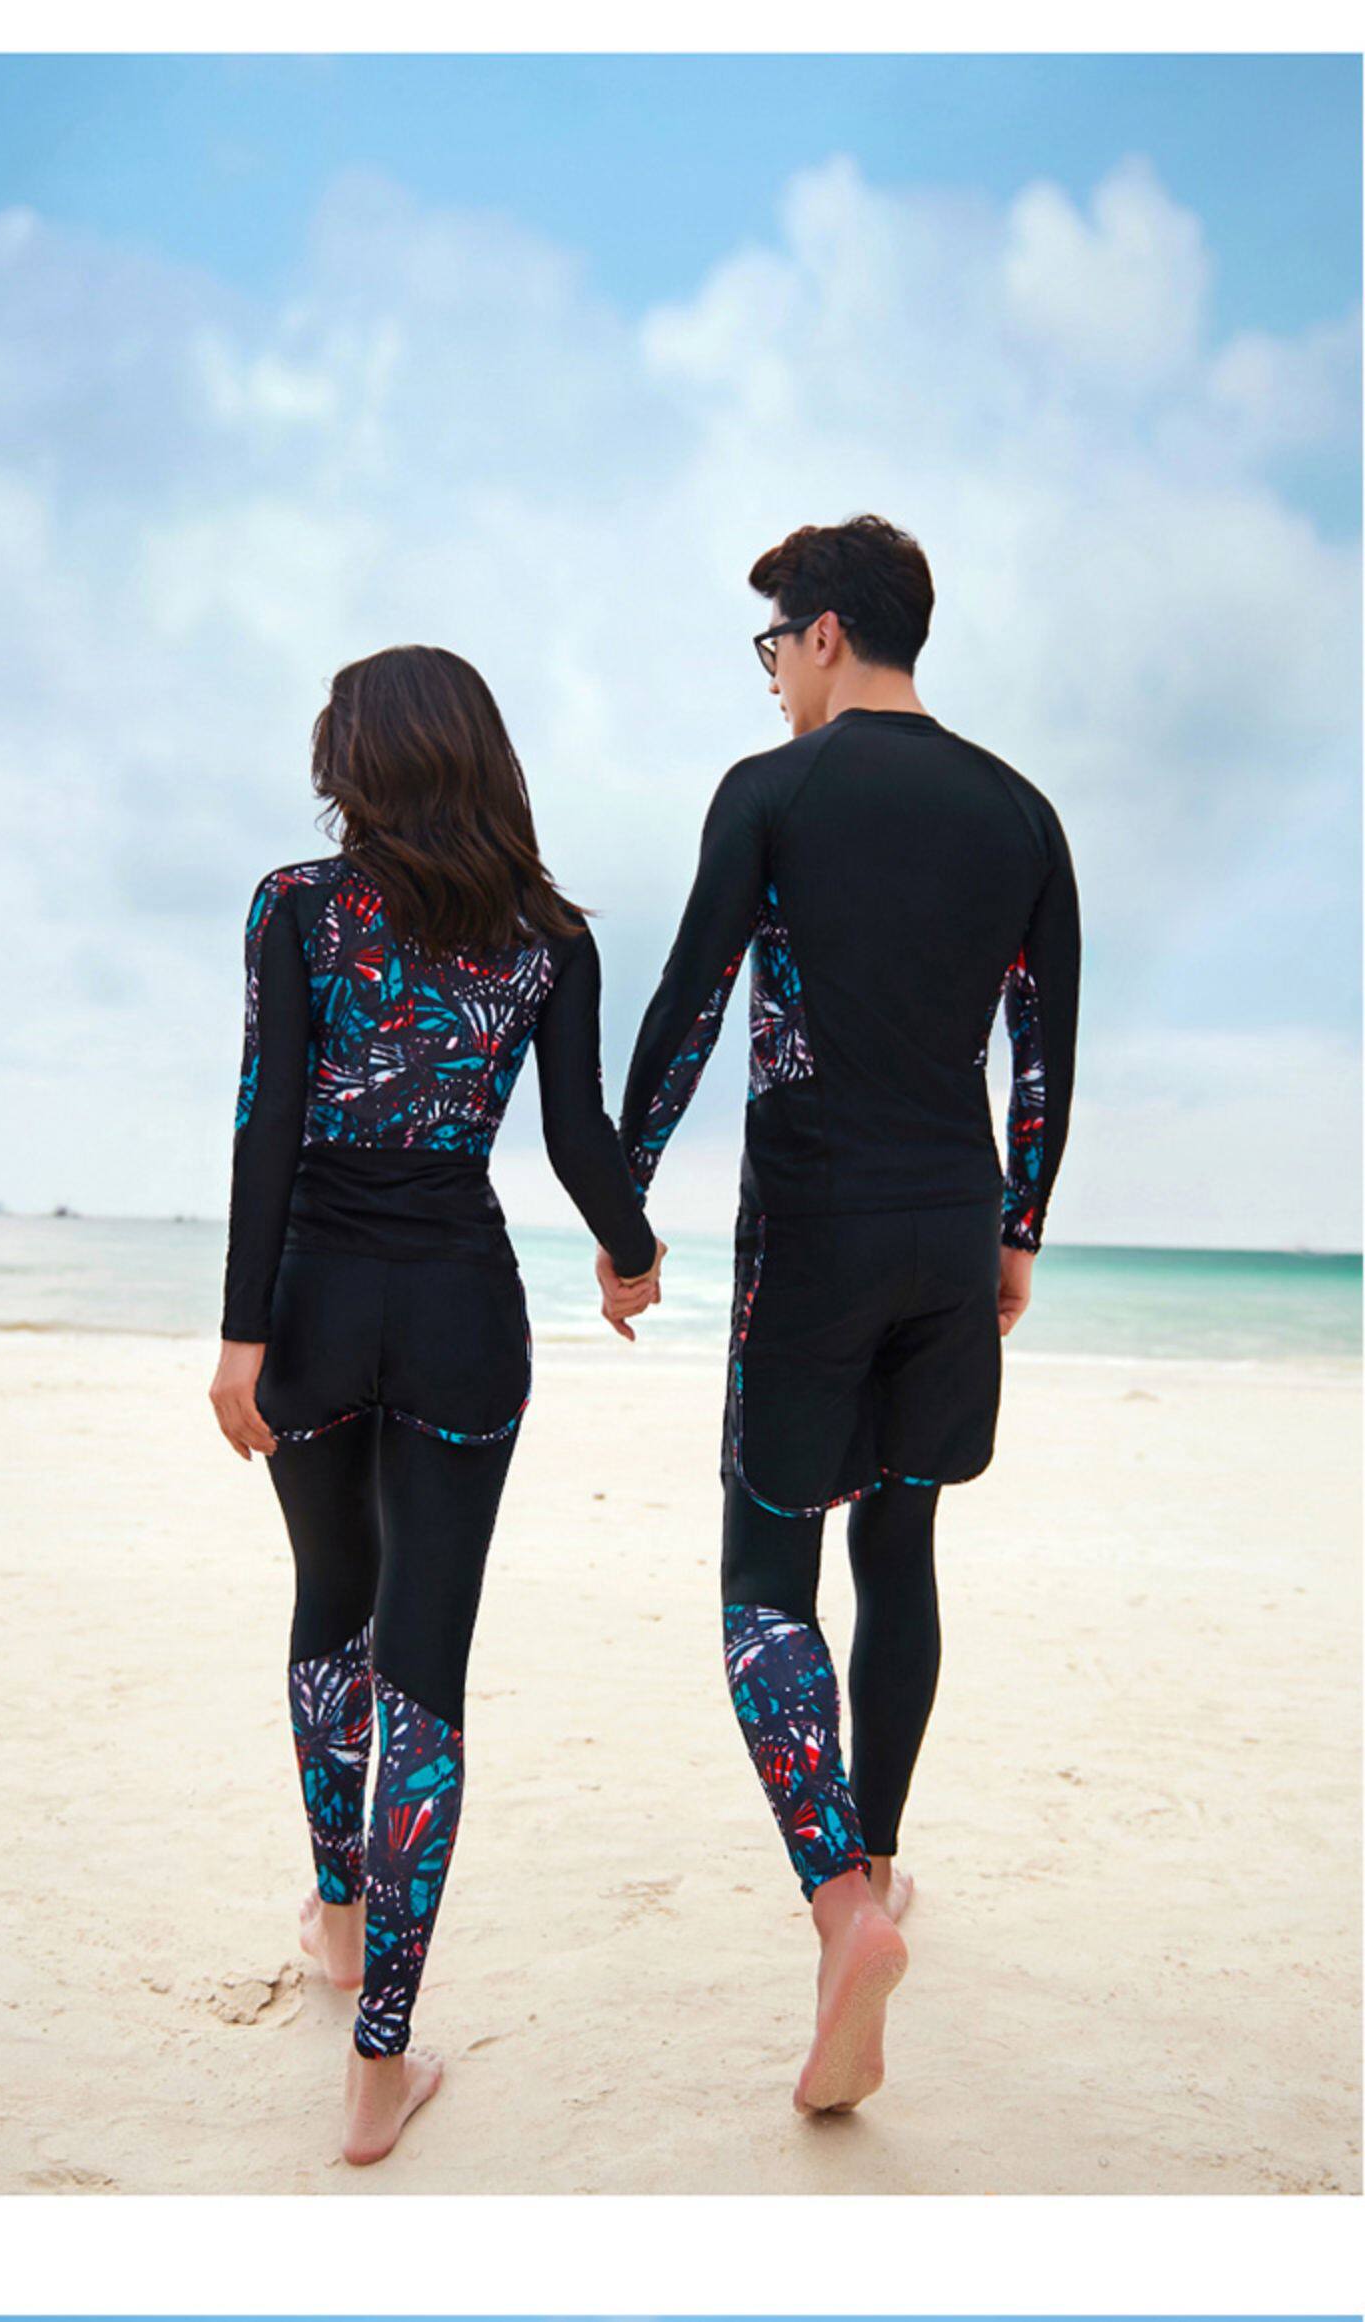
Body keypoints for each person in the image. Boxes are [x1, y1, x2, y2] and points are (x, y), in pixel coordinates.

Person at [606, 515, 1080, 2113]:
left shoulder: (774, 792)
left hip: (812, 1231)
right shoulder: (1022, 812)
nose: (770, 679)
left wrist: (624, 1210)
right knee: (901, 1544)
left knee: (765, 1580)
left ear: (823, 634)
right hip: (948, 1229)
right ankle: (876, 1854)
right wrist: (1017, 1229)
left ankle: (839, 1906)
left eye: (773, 646)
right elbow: (1043, 1048)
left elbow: (688, 1003)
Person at [210, 646, 664, 2165]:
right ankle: (379, 2058)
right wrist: (631, 1250)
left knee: (328, 1594)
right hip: (462, 1309)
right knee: (425, 1670)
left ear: (362, 759)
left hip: (313, 1309)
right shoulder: (551, 937)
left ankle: (341, 1914)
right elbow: (578, 1133)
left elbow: (269, 1121)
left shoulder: (294, 907)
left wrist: (240, 1335)